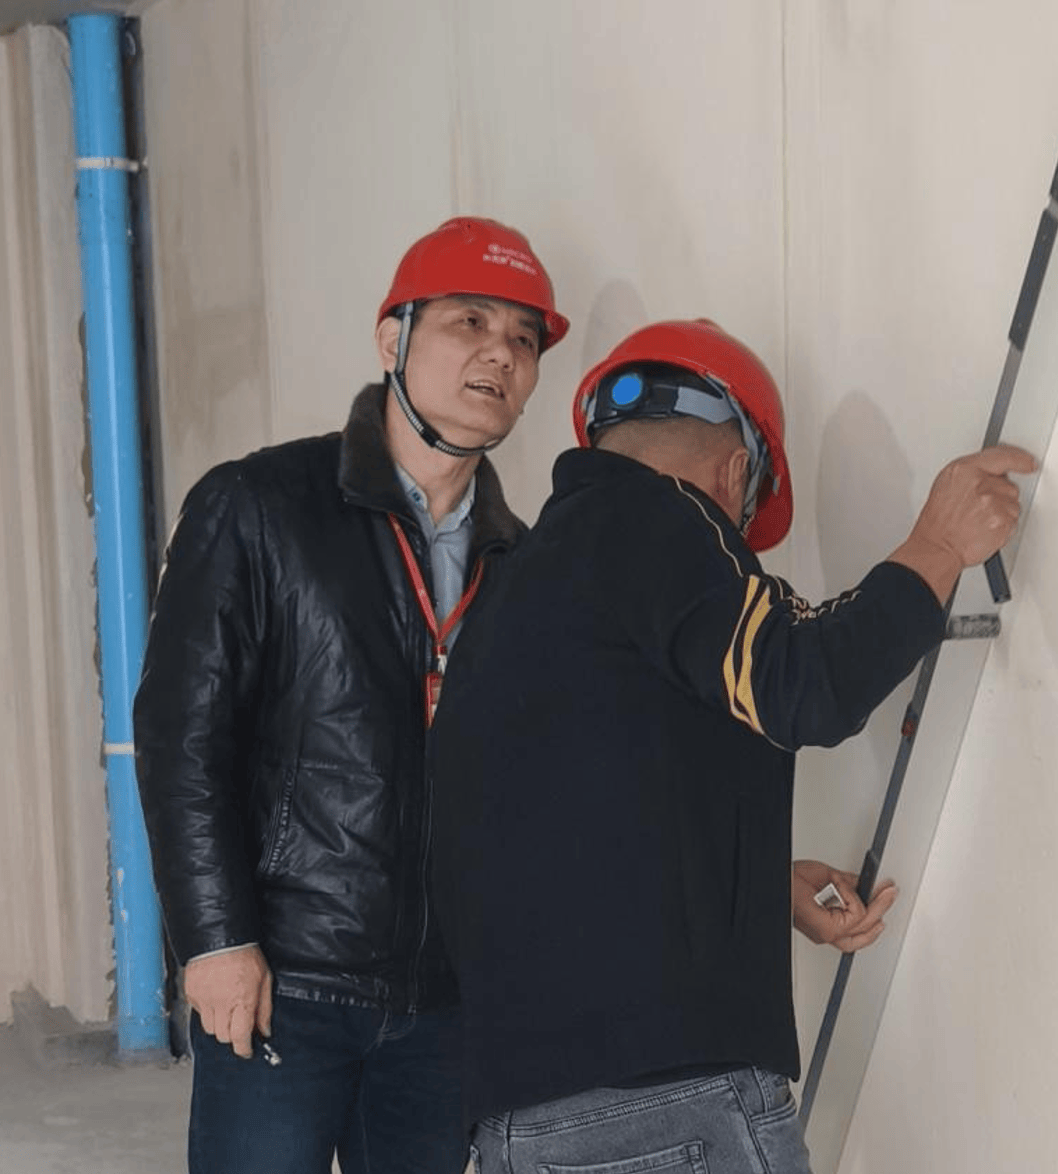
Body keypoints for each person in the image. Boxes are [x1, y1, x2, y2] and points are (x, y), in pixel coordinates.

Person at [133, 220, 893, 1174]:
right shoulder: (260, 507)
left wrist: (757, 884)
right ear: (393, 338)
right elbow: (182, 735)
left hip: (452, 1006)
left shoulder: (535, 562)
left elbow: (585, 795)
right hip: (294, 977)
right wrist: (216, 940)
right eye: (469, 322)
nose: (499, 353)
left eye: (523, 340)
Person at [429, 318, 1034, 1174]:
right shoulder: (658, 517)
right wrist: (935, 545)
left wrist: (753, 886)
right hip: (662, 1108)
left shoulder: (518, 587)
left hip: (523, 1126)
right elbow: (800, 681)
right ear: (736, 472)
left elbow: (561, 821)